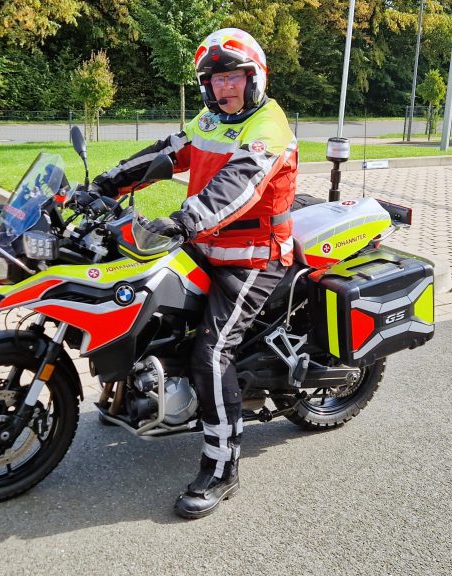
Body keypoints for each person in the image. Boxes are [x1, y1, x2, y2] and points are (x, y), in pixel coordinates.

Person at [89, 28, 298, 519]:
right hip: (207, 245)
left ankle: (222, 467)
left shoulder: (268, 126)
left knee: (212, 351)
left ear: (254, 79)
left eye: (233, 78)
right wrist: (105, 184)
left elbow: (236, 187)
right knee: (144, 298)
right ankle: (138, 389)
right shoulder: (210, 119)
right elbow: (166, 154)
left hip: (253, 256)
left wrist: (182, 222)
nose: (224, 88)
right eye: (215, 79)